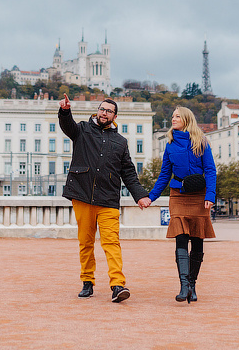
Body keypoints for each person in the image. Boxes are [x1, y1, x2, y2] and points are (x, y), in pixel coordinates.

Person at [59, 94, 150, 303]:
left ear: (114, 116)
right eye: (102, 109)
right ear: (97, 111)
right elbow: (67, 126)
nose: (104, 113)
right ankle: (87, 282)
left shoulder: (120, 142)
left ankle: (117, 285)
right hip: (82, 196)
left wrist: (140, 196)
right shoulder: (82, 130)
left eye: (109, 111)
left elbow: (128, 172)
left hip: (108, 198)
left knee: (112, 242)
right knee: (86, 242)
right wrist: (65, 111)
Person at [145, 106, 217, 303]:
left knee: (198, 239)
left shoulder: (201, 142)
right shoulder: (170, 144)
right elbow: (164, 175)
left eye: (177, 116)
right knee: (181, 238)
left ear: (186, 119)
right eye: (173, 115)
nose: (173, 118)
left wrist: (210, 194)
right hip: (177, 194)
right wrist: (151, 196)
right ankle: (183, 285)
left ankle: (193, 284)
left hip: (199, 195)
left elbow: (210, 170)